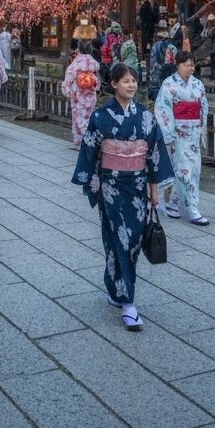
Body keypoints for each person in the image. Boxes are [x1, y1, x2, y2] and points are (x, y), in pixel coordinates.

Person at [72, 62, 173, 330]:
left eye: (134, 81)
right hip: (112, 188)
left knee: (133, 240)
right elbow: (90, 152)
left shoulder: (145, 116)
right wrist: (93, 184)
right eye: (126, 81)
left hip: (138, 186)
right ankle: (128, 303)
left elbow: (154, 154)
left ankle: (116, 287)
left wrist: (154, 190)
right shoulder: (100, 116)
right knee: (121, 239)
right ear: (114, 84)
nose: (131, 85)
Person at [154, 50, 210, 225]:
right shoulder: (169, 85)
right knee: (185, 171)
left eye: (192, 65)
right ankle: (192, 209)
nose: (190, 68)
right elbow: (163, 109)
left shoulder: (198, 85)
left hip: (193, 133)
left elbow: (203, 108)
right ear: (177, 66)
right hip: (178, 133)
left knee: (193, 170)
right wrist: (169, 134)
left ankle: (173, 204)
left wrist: (201, 129)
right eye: (186, 65)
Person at [62, 22, 101, 147]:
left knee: (78, 118)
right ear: (90, 49)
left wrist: (68, 91)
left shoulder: (74, 65)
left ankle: (79, 141)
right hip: (90, 95)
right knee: (89, 116)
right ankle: (89, 139)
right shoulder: (94, 64)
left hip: (78, 96)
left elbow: (68, 83)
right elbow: (97, 82)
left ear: (78, 48)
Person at [147, 21, 177, 104]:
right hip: (169, 73)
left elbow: (153, 63)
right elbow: (175, 63)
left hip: (158, 71)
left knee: (157, 92)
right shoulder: (173, 47)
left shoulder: (155, 46)